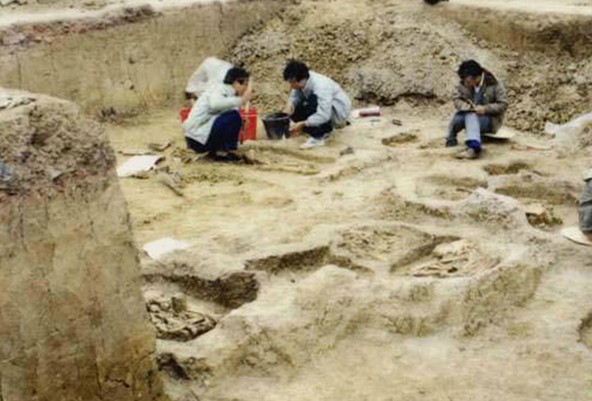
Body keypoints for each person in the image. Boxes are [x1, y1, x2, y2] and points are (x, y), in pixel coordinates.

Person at [183, 67, 252, 162]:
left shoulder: (229, 94)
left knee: (235, 117)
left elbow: (222, 113)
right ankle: (223, 152)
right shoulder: (218, 89)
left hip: (201, 137)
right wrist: (240, 100)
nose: (245, 89)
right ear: (237, 82)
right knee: (234, 116)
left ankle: (222, 151)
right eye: (245, 84)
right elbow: (215, 105)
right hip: (197, 139)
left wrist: (240, 121)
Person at [446, 60, 508, 160]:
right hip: (472, 115)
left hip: (490, 120)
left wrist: (486, 109)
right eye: (464, 81)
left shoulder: (494, 84)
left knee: (471, 116)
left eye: (468, 81)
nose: (466, 84)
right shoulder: (465, 82)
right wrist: (463, 105)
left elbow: (503, 104)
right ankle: (451, 139)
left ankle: (474, 148)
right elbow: (456, 98)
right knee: (458, 116)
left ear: (477, 77)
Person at [283, 60, 351, 150]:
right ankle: (307, 129)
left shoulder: (321, 86)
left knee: (312, 100)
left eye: (292, 82)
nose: (291, 85)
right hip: (324, 109)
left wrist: (304, 123)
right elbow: (294, 96)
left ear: (301, 79)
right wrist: (289, 105)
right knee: (296, 110)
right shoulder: (303, 79)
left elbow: (324, 114)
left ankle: (320, 136)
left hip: (337, 113)